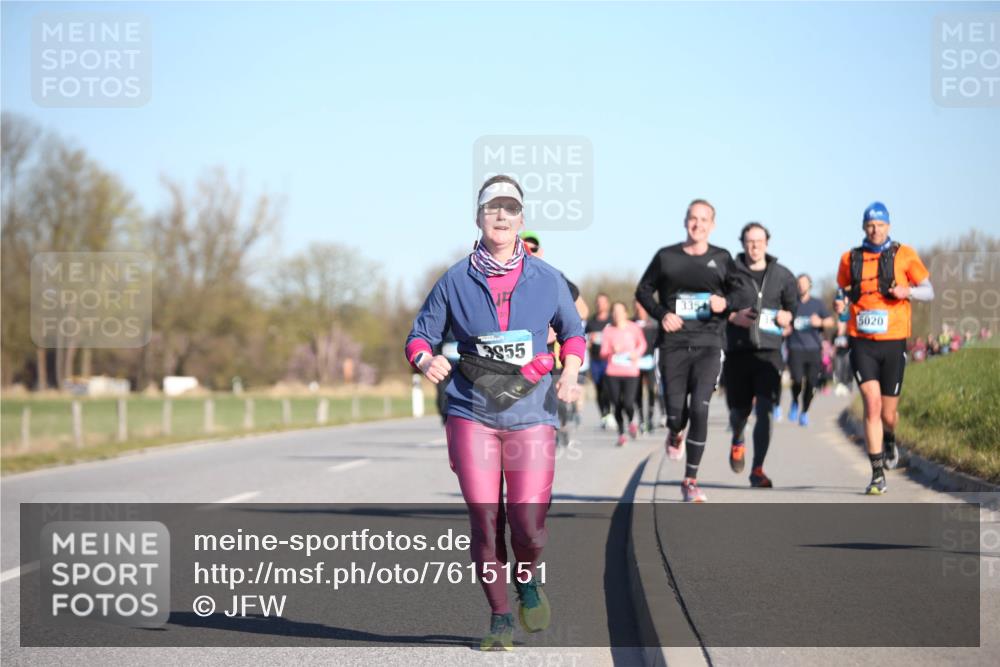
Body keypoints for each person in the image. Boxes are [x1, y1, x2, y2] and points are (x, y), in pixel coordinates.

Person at [406, 175, 585, 649]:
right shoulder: (454, 279)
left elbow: (573, 333)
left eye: (510, 208)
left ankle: (526, 578)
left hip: (530, 415)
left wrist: (570, 373)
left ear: (522, 219)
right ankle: (500, 616)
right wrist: (426, 359)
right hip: (472, 412)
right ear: (478, 217)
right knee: (486, 519)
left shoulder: (549, 280)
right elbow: (418, 336)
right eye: (492, 208)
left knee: (528, 525)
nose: (501, 216)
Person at [636, 199, 752, 502]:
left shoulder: (722, 258)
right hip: (672, 345)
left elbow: (745, 291)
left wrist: (725, 303)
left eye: (704, 220)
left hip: (709, 343)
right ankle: (675, 432)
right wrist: (662, 314)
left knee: (700, 407)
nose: (698, 224)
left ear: (712, 225)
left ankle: (690, 480)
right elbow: (643, 290)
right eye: (693, 218)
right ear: (685, 221)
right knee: (676, 415)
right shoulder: (666, 257)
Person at [835, 201, 933, 495]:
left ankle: (890, 438)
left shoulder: (905, 255)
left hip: (893, 341)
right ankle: (877, 474)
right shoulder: (849, 258)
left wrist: (908, 291)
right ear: (864, 227)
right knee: (872, 403)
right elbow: (842, 294)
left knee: (889, 414)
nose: (875, 230)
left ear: (888, 225)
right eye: (870, 225)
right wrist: (839, 305)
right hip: (861, 339)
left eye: (879, 224)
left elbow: (930, 290)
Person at [724, 222, 797, 488]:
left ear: (767, 243)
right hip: (738, 352)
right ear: (742, 244)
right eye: (749, 241)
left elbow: (792, 307)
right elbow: (717, 306)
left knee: (765, 411)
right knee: (739, 412)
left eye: (759, 241)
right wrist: (733, 316)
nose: (754, 246)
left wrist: (787, 315)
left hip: (769, 354)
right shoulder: (729, 273)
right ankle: (737, 437)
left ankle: (757, 469)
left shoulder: (782, 275)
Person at [786, 274, 835, 426]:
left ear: (810, 285)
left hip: (814, 349)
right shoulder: (791, 303)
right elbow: (782, 319)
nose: (801, 286)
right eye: (798, 284)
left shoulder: (817, 303)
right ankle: (794, 401)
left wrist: (819, 321)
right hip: (795, 347)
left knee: (812, 383)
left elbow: (830, 321)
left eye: (804, 283)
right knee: (797, 380)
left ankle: (805, 412)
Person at [599, 301, 648, 446]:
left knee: (628, 402)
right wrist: (611, 351)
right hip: (612, 372)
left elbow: (642, 344)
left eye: (620, 311)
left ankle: (632, 421)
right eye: (614, 312)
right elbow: (602, 353)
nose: (617, 314)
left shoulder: (634, 328)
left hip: (631, 371)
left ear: (626, 313)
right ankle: (621, 434)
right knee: (617, 404)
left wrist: (636, 354)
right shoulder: (608, 330)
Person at [633, 300, 664, 433]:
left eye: (642, 307)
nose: (639, 310)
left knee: (652, 389)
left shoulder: (654, 323)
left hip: (650, 361)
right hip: (634, 362)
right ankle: (640, 419)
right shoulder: (631, 324)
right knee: (637, 392)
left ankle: (650, 418)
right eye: (637, 307)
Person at [586, 294, 613, 428]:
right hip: (595, 359)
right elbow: (583, 339)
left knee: (608, 387)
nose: (600, 305)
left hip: (610, 359)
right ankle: (603, 415)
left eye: (602, 302)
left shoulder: (612, 320)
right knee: (599, 388)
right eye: (598, 302)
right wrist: (589, 340)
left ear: (607, 304)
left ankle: (610, 412)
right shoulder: (591, 321)